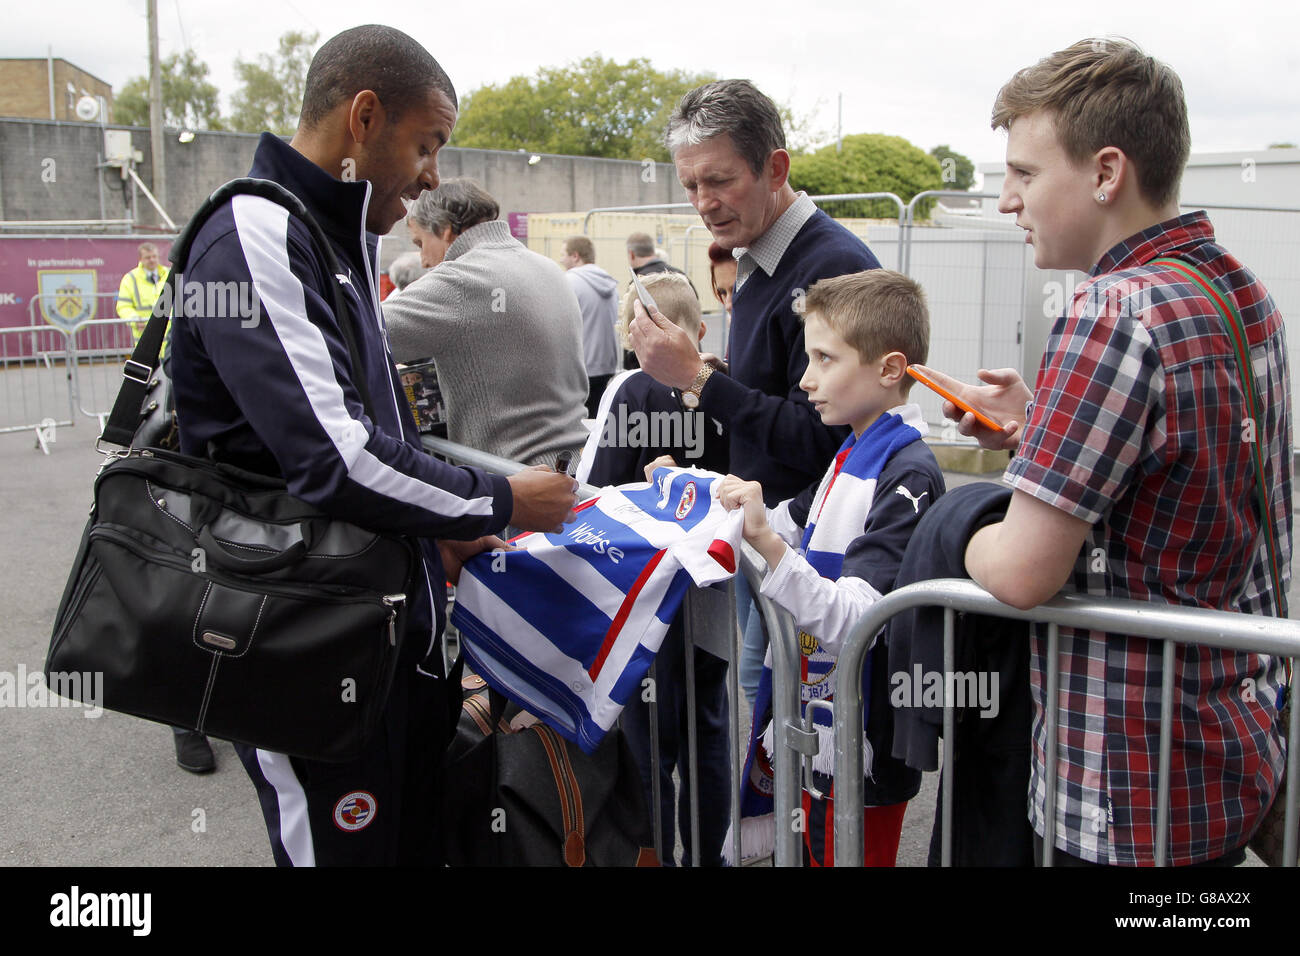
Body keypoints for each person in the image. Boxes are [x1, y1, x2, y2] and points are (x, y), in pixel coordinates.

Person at [168, 24, 577, 867]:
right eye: (427, 144)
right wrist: (500, 498)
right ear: (363, 117)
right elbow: (334, 458)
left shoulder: (335, 237)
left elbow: (375, 434)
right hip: (302, 647)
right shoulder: (257, 232)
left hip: (385, 636)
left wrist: (441, 530)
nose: (433, 176)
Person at [923, 38, 1290, 867]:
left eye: (1023, 172)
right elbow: (1188, 462)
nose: (1009, 199)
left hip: (1122, 782)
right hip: (1226, 746)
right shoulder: (1237, 286)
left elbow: (1020, 571)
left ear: (1105, 173)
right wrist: (1041, 425)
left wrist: (957, 529)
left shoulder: (1112, 312)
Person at [631, 78, 881, 705]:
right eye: (690, 185)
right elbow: (775, 396)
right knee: (761, 713)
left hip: (810, 550)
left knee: (792, 726)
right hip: (768, 533)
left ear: (776, 168)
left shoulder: (828, 266)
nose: (703, 202)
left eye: (719, 181)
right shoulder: (756, 256)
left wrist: (699, 379)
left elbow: (819, 435)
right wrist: (714, 378)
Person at [720, 269, 942, 867]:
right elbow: (783, 520)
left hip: (868, 732)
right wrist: (703, 496)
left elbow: (860, 614)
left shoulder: (907, 472)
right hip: (822, 722)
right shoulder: (852, 449)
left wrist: (765, 542)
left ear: (890, 369)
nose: (805, 377)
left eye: (825, 358)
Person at [576, 271, 731, 865]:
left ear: (630, 331)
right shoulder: (724, 387)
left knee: (646, 738)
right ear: (699, 328)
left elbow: (594, 487)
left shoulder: (629, 388)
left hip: (647, 592)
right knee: (706, 729)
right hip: (711, 587)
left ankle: (654, 855)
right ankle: (708, 856)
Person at [384, 180, 589, 468]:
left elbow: (363, 330)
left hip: (512, 478)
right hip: (575, 463)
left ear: (444, 230)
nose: (424, 260)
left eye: (421, 243)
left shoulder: (461, 279)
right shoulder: (546, 267)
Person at [560, 235, 620, 417]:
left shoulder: (569, 281)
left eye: (563, 254)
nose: (560, 259)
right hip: (606, 364)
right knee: (596, 419)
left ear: (575, 256)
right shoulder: (608, 282)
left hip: (581, 366)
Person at [116, 242, 169, 344]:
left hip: (169, 339)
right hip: (145, 338)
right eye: (148, 257)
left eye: (154, 256)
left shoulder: (169, 274)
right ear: (140, 259)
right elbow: (123, 306)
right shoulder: (130, 279)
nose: (152, 260)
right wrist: (134, 319)